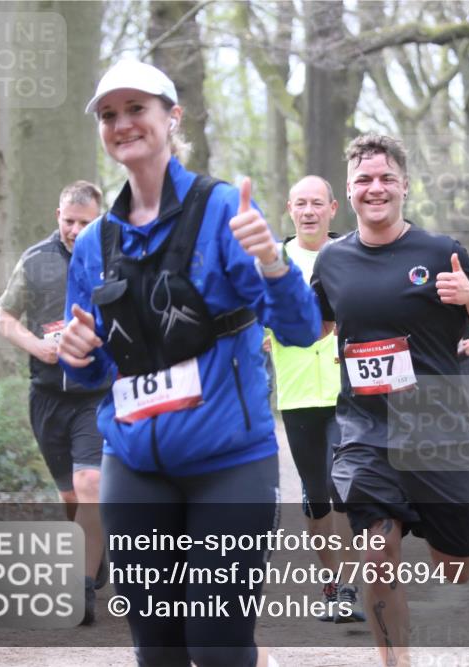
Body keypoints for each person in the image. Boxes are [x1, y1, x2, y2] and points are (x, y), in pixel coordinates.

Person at [58, 60, 319, 666]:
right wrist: (76, 355)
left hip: (228, 464)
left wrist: (273, 264)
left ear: (171, 117)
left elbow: (302, 330)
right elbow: (94, 369)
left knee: (217, 644)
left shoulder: (223, 208)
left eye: (136, 109)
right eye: (109, 114)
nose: (122, 123)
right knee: (158, 648)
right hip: (132, 464)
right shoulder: (95, 242)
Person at [310, 133, 469, 667]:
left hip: (436, 427)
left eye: (385, 179)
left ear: (404, 186)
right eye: (363, 180)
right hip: (365, 429)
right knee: (377, 555)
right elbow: (320, 321)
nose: (375, 189)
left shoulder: (438, 251)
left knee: (453, 568)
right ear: (349, 192)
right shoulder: (331, 259)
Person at [0, 180, 110, 625]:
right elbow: (5, 317)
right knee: (69, 493)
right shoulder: (35, 260)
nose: (77, 230)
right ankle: (92, 553)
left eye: (86, 222)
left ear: (98, 219)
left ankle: (80, 590)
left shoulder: (113, 258)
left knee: (90, 485)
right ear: (56, 216)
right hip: (46, 395)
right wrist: (36, 346)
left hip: (95, 395)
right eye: (69, 221)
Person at [266, 175, 365, 623]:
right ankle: (333, 583)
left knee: (345, 485)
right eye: (300, 204)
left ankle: (351, 584)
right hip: (299, 392)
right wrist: (259, 338)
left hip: (351, 389)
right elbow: (254, 314)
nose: (308, 211)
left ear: (333, 209)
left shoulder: (353, 255)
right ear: (291, 209)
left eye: (316, 203)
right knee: (316, 497)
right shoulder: (273, 260)